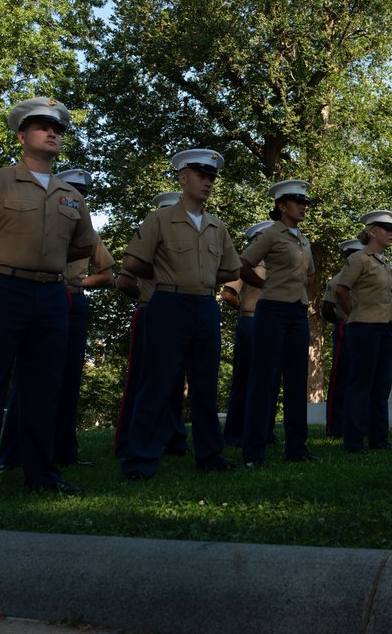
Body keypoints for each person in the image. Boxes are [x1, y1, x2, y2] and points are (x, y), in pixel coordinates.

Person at [0, 97, 97, 497]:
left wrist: (50, 259)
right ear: (22, 135)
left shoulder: (71, 195)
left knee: (45, 388)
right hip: (2, 287)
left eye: (58, 129)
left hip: (51, 294)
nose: (52, 133)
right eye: (43, 127)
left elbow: (83, 246)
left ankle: (41, 475)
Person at [119, 149, 241, 479]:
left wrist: (197, 277)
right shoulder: (159, 219)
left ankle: (210, 455)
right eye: (202, 176)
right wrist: (166, 272)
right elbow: (131, 263)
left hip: (204, 306)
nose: (208, 182)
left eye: (212, 177)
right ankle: (140, 459)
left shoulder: (217, 227)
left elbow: (230, 269)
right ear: (183, 178)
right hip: (168, 305)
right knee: (156, 383)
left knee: (205, 384)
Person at [0, 168, 115, 471]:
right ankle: (12, 454)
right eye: (71, 192)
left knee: (69, 379)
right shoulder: (41, 224)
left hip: (72, 301)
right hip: (38, 296)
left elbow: (107, 275)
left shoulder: (89, 234)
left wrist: (78, 284)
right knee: (28, 378)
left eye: (81, 195)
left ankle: (64, 451)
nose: (75, 200)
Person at [240, 181, 317, 467]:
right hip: (271, 311)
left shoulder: (304, 240)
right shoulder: (270, 235)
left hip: (297, 312)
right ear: (282, 206)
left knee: (297, 380)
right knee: (263, 379)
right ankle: (253, 452)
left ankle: (297, 448)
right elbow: (243, 265)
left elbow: (310, 273)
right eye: (297, 202)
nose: (303, 206)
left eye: (305, 202)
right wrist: (266, 285)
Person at [112, 192, 189, 460]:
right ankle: (126, 442)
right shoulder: (147, 235)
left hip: (179, 313)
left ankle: (173, 439)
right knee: (141, 380)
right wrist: (149, 299)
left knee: (175, 379)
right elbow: (123, 280)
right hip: (150, 313)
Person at [337, 210, 392, 453]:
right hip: (363, 327)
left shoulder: (384, 262)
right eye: (386, 229)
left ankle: (379, 438)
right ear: (372, 231)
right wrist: (355, 313)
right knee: (360, 385)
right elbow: (342, 289)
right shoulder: (359, 259)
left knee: (381, 386)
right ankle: (353, 441)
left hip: (384, 328)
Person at [220, 220, 271, 449]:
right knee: (245, 380)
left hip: (272, 323)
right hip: (251, 321)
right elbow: (228, 293)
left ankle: (265, 431)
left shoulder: (276, 263)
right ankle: (235, 433)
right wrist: (246, 307)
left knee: (269, 379)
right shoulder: (246, 262)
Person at [320, 237, 363, 438]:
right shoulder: (337, 280)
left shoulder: (367, 277)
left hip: (365, 329)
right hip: (345, 329)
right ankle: (334, 427)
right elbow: (326, 309)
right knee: (340, 379)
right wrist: (342, 320)